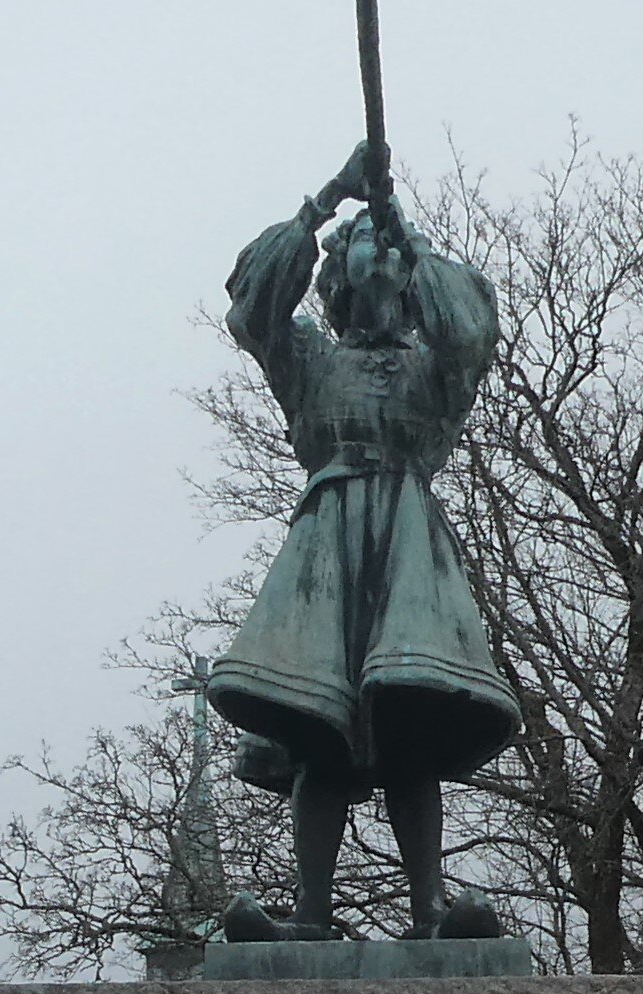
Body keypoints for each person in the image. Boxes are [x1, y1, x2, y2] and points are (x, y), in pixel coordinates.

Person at [206, 139, 515, 943]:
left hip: (409, 551)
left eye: (391, 253)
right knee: (320, 732)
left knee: (408, 726)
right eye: (366, 250)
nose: (378, 257)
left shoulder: (435, 370)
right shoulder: (308, 360)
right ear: (338, 280)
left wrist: (405, 230)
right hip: (326, 551)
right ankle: (309, 917)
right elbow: (253, 302)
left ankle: (429, 911)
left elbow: (471, 329)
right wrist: (330, 198)